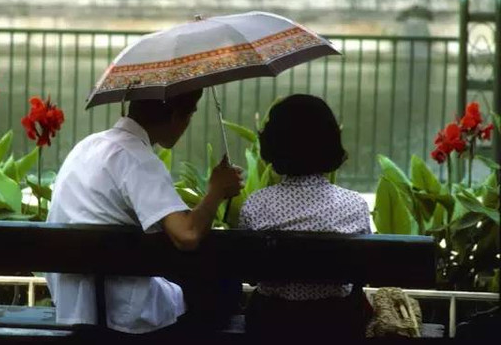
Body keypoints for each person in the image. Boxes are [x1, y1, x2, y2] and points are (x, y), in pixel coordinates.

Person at [45, 89, 243, 335]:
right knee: (225, 290)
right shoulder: (137, 158)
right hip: (122, 313)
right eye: (189, 115)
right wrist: (216, 191)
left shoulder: (87, 147)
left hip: (74, 306)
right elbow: (187, 234)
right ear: (174, 116)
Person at [239, 94, 372, 339]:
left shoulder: (256, 205)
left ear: (273, 144)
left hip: (271, 324)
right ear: (330, 142)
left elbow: (250, 274)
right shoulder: (355, 206)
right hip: (335, 323)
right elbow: (360, 272)